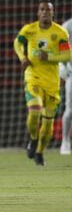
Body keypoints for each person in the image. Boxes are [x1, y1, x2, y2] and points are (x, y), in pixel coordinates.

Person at [14, 1, 72, 165]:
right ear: (38, 12)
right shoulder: (29, 29)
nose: (45, 12)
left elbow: (68, 56)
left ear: (52, 13)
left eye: (48, 10)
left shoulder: (60, 32)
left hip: (52, 83)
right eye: (42, 9)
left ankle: (39, 152)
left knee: (47, 126)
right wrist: (23, 57)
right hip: (33, 77)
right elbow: (17, 43)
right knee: (34, 111)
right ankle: (33, 138)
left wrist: (50, 58)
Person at [59, 18, 72, 155]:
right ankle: (65, 141)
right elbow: (61, 51)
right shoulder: (67, 27)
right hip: (71, 73)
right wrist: (62, 68)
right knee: (70, 110)